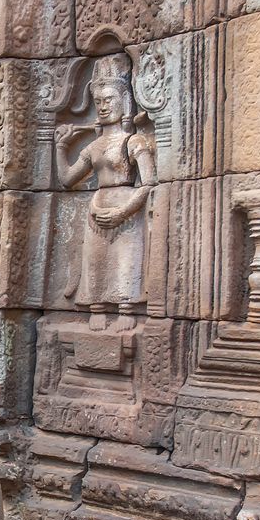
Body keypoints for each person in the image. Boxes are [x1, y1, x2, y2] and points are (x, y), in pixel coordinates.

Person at [54, 54, 156, 331]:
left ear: (124, 101)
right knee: (96, 260)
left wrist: (123, 211)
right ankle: (97, 307)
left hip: (127, 207)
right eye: (98, 101)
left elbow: (149, 183)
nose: (102, 106)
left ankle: (126, 309)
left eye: (109, 99)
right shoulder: (94, 147)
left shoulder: (133, 141)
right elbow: (67, 179)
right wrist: (61, 148)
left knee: (126, 259)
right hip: (98, 208)